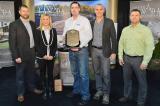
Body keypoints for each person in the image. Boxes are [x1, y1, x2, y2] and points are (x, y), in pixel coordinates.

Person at [118, 9, 154, 106]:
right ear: (129, 17)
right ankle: (127, 96)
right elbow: (121, 44)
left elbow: (150, 47)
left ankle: (141, 101)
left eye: (136, 15)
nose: (134, 17)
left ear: (140, 17)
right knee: (126, 80)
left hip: (139, 60)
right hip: (126, 59)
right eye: (132, 15)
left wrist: (145, 61)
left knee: (142, 82)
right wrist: (120, 57)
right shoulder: (125, 30)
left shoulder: (145, 30)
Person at [9, 5, 42, 102]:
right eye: (23, 11)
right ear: (19, 12)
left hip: (32, 53)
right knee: (20, 76)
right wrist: (16, 56)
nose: (26, 13)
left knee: (31, 73)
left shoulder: (32, 23)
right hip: (20, 55)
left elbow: (36, 37)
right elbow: (12, 42)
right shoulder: (14, 24)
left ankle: (32, 88)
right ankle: (20, 93)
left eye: (27, 11)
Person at [63, 1, 92, 106]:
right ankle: (76, 90)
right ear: (70, 10)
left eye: (76, 7)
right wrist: (67, 44)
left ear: (79, 9)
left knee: (83, 74)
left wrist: (78, 46)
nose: (74, 9)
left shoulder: (85, 20)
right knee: (75, 72)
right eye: (72, 8)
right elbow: (64, 35)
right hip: (71, 51)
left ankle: (85, 95)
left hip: (81, 51)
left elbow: (89, 35)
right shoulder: (67, 21)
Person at [90, 4, 117, 105]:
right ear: (95, 11)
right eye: (97, 9)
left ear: (104, 10)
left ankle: (106, 94)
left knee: (106, 74)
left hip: (105, 51)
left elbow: (113, 38)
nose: (99, 11)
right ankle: (99, 90)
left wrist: (114, 52)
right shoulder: (91, 22)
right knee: (97, 72)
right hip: (94, 50)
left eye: (101, 9)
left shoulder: (109, 22)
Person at [36, 14, 57, 99]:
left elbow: (55, 44)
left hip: (51, 57)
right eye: (43, 19)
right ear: (41, 20)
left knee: (50, 73)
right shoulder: (37, 31)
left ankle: (50, 88)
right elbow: (37, 45)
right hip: (42, 57)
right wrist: (43, 55)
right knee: (42, 73)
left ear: (49, 20)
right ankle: (44, 89)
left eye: (47, 19)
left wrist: (52, 55)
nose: (45, 21)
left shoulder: (53, 30)